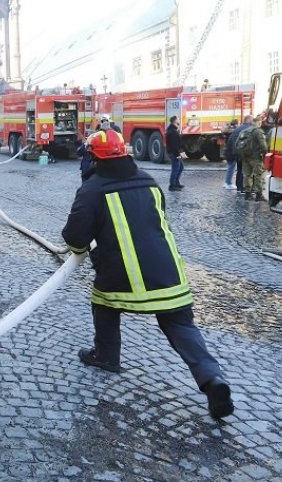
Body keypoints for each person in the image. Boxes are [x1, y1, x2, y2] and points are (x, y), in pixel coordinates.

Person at [61, 129, 234, 420]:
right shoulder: (149, 181)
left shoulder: (92, 190)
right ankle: (212, 379)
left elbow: (75, 238)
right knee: (179, 323)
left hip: (121, 275)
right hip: (167, 271)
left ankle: (106, 356)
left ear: (94, 159)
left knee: (103, 304)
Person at [237, 114, 268, 201]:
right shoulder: (258, 131)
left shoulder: (244, 131)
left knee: (247, 175)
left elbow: (237, 144)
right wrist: (265, 154)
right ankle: (259, 195)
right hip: (256, 157)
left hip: (245, 157)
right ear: (258, 122)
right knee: (258, 175)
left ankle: (247, 194)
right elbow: (263, 145)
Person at [166, 115, 184, 191]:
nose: (179, 120)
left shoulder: (173, 130)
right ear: (175, 121)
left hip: (174, 152)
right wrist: (178, 155)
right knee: (175, 169)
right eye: (178, 119)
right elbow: (174, 145)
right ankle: (172, 185)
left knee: (180, 167)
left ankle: (176, 182)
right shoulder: (172, 132)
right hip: (174, 153)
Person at [222, 119, 240, 190]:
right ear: (236, 124)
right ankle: (228, 183)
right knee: (231, 168)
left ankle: (227, 182)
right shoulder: (235, 131)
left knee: (230, 167)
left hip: (227, 151)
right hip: (231, 152)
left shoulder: (227, 131)